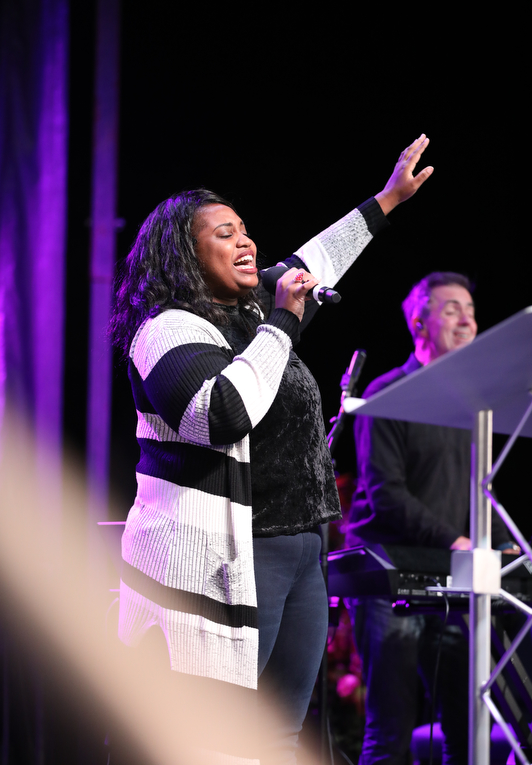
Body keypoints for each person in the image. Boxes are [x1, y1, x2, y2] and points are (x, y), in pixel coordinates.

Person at [109, 135, 433, 764]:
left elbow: (319, 257)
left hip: (303, 548)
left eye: (246, 231)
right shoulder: (167, 330)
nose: (247, 242)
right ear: (184, 254)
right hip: (235, 555)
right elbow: (222, 415)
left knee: (280, 737)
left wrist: (389, 198)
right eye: (226, 233)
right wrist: (282, 322)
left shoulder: (253, 313)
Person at [344, 272, 518, 765]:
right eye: (451, 309)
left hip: (452, 574)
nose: (467, 320)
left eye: (470, 310)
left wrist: (505, 544)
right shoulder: (387, 393)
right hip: (389, 575)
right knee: (391, 729)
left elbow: (479, 491)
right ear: (419, 324)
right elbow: (386, 494)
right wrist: (459, 542)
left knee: (468, 728)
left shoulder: (471, 406)